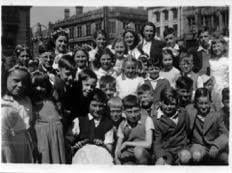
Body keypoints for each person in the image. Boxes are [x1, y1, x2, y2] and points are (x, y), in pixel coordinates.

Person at [186, 88, 228, 165]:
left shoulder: (216, 115)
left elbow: (225, 134)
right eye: (200, 103)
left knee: (226, 158)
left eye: (206, 103)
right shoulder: (190, 111)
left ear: (210, 102)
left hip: (213, 145)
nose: (204, 106)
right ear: (195, 103)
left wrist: (216, 145)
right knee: (196, 156)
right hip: (197, 145)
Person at [31, 71, 66, 163]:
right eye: (35, 85)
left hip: (56, 139)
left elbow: (59, 85)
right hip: (41, 139)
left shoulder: (53, 101)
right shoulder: (31, 104)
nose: (38, 88)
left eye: (42, 85)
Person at [1, 65, 33, 163]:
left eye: (24, 82)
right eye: (16, 80)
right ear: (6, 79)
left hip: (24, 144)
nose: (20, 85)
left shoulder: (26, 100)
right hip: (6, 145)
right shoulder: (2, 101)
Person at [154, 87, 191, 165]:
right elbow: (157, 141)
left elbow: (188, 130)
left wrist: (185, 143)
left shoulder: (183, 113)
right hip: (166, 150)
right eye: (166, 104)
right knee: (161, 164)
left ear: (177, 103)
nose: (169, 107)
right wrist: (160, 156)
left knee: (185, 156)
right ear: (160, 103)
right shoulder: (156, 119)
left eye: (172, 104)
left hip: (181, 147)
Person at [115, 95, 154, 165]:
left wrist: (127, 143)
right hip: (129, 155)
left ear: (140, 109)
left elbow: (148, 144)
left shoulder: (147, 120)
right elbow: (118, 146)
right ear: (124, 111)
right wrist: (116, 159)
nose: (133, 115)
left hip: (145, 154)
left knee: (138, 151)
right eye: (129, 112)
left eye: (136, 111)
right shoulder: (122, 125)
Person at [209, 37, 229, 110]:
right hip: (213, 89)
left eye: (218, 46)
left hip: (224, 88)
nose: (216, 48)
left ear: (223, 47)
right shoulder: (210, 61)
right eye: (214, 47)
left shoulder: (227, 61)